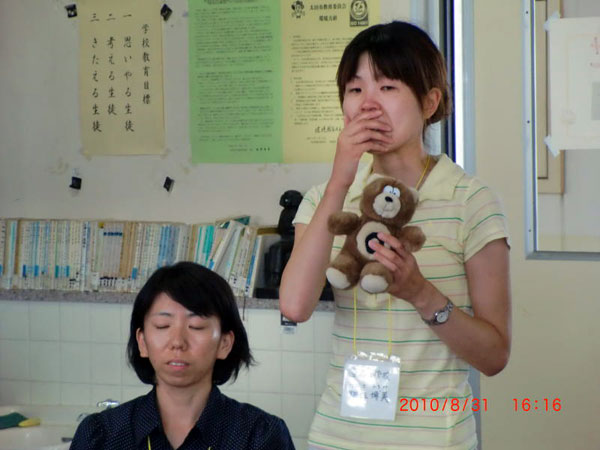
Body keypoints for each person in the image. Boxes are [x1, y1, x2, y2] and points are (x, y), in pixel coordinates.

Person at [280, 21, 511, 449]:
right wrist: (339, 181)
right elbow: (294, 306)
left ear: (429, 102)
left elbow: (494, 355)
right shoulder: (325, 198)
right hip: (338, 437)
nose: (368, 104)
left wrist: (421, 293)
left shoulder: (470, 201)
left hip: (435, 439)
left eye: (387, 87)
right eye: (355, 89)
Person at [71, 262, 294, 450]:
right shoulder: (101, 436)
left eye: (196, 326)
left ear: (224, 343)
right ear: (142, 342)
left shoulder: (259, 436)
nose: (177, 342)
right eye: (163, 325)